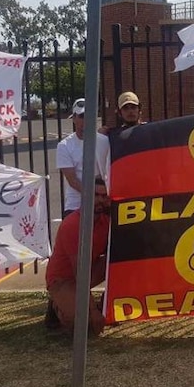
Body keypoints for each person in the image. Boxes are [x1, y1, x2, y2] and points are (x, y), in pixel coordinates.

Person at [44, 176, 111, 335]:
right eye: (95, 195)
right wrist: (93, 310)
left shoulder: (106, 221)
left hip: (89, 270)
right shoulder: (72, 225)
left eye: (104, 196)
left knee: (118, 257)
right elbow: (80, 272)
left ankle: (106, 303)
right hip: (63, 279)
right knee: (84, 326)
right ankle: (57, 306)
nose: (100, 200)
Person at [55, 98, 110, 213]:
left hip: (103, 202)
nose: (86, 120)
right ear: (74, 118)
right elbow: (73, 180)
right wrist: (96, 190)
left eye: (89, 115)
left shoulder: (105, 141)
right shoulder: (64, 146)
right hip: (76, 203)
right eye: (82, 116)